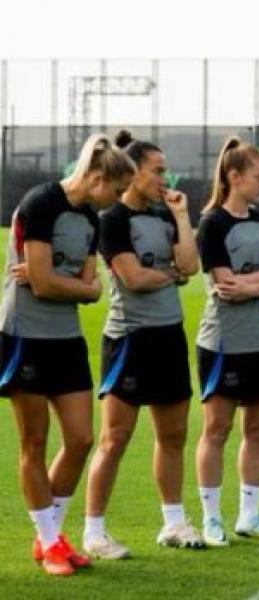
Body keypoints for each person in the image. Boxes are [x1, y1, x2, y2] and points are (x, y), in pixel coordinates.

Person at [0, 133, 133, 575]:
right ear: (97, 177)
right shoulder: (40, 204)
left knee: (80, 439)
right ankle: (49, 540)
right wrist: (70, 284)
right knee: (34, 442)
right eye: (114, 191)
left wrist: (68, 283)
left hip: (66, 339)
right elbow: (44, 284)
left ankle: (50, 536)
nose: (115, 201)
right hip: (26, 334)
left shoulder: (90, 220)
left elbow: (92, 288)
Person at [82, 130, 204, 558]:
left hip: (169, 335)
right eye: (158, 170)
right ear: (133, 173)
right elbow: (134, 280)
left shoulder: (166, 213)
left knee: (173, 435)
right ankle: (94, 532)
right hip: (129, 340)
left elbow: (191, 264)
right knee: (115, 438)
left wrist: (183, 217)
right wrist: (171, 273)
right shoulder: (113, 219)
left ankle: (174, 522)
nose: (165, 177)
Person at [193, 136, 259, 546]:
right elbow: (223, 282)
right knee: (217, 430)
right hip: (223, 342)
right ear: (234, 176)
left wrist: (252, 285)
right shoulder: (212, 223)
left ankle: (250, 515)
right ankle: (212, 518)